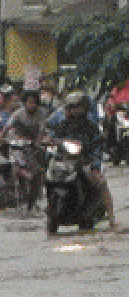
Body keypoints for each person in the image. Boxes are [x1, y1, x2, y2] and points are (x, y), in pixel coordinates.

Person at [46, 91, 117, 229]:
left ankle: (112, 218)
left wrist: (94, 163)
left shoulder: (91, 126)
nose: (73, 110)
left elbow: (97, 146)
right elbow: (53, 138)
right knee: (49, 175)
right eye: (71, 107)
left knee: (101, 183)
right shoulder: (63, 124)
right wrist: (50, 142)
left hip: (85, 161)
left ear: (84, 108)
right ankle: (50, 210)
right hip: (64, 162)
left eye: (76, 107)